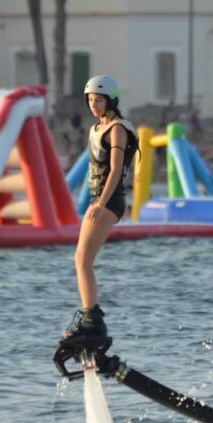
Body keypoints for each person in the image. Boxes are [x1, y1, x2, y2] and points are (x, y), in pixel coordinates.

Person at [63, 75, 138, 345]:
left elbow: (116, 170)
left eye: (99, 100)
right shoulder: (97, 127)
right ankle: (90, 317)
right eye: (91, 100)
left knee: (82, 259)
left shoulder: (117, 129)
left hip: (110, 200)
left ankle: (92, 320)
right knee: (81, 259)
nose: (93, 105)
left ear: (111, 100)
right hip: (100, 199)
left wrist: (101, 203)